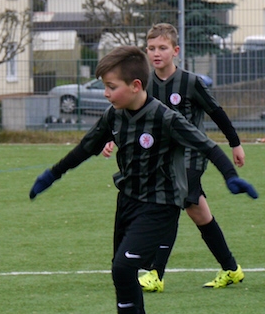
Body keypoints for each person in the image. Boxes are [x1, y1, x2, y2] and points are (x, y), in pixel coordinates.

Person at [29, 46, 258, 314]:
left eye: (112, 87)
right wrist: (52, 174)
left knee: (123, 268)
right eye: (105, 87)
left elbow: (206, 145)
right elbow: (86, 148)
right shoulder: (114, 116)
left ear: (135, 85)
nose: (106, 94)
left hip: (160, 205)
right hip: (128, 202)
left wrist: (230, 176)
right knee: (121, 270)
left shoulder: (165, 117)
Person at [102, 23, 246, 292]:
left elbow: (216, 113)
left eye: (162, 48)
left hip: (192, 155)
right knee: (198, 212)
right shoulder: (144, 84)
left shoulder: (190, 82)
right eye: (151, 48)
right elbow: (127, 116)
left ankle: (156, 273)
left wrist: (235, 143)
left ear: (175, 51)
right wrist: (111, 138)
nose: (156, 53)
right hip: (162, 158)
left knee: (171, 199)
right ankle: (230, 268)